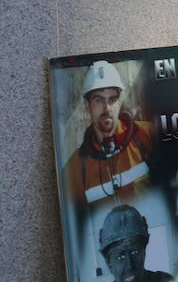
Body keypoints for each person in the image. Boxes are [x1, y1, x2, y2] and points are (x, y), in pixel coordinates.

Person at [64, 61, 156, 208]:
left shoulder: (148, 135)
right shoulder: (74, 169)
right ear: (87, 106)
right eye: (98, 100)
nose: (106, 108)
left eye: (112, 99)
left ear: (119, 102)